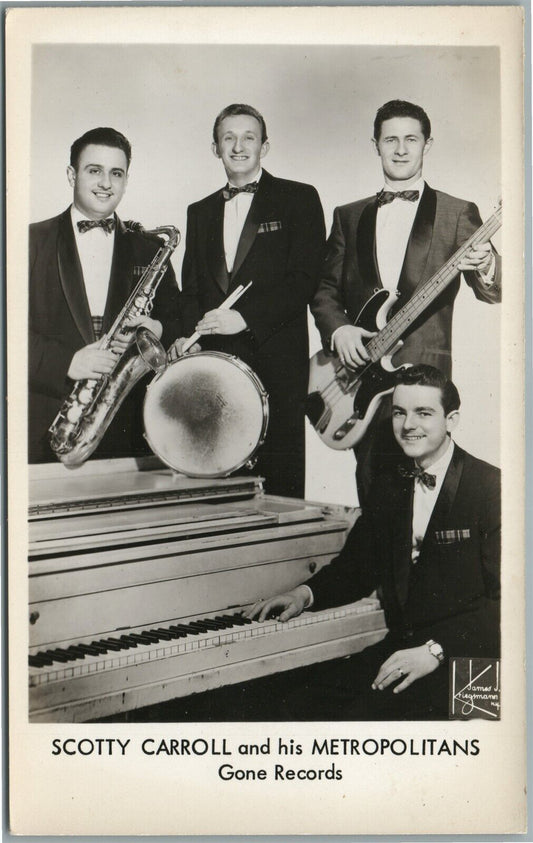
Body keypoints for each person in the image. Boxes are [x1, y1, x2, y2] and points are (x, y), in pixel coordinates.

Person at [247, 365, 500, 720]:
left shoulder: (492, 487)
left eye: (423, 413)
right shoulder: (388, 485)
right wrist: (303, 594)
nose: (408, 424)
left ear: (452, 419)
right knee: (297, 704)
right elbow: (356, 568)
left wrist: (435, 651)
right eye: (400, 412)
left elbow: (510, 605)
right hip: (401, 650)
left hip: (470, 660)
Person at [310, 100, 501, 504]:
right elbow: (325, 289)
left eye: (410, 139)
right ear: (375, 145)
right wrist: (340, 328)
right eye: (390, 139)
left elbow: (492, 290)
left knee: (426, 498)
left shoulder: (456, 212)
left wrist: (487, 263)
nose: (400, 149)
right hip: (360, 382)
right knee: (373, 491)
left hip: (426, 382)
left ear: (426, 145)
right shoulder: (349, 215)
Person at [171, 103, 326, 498]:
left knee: (278, 491)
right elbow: (191, 289)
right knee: (214, 488)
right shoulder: (199, 211)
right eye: (228, 137)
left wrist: (244, 318)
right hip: (213, 373)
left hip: (276, 369)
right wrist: (188, 339)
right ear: (215, 147)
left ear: (265, 146)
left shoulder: (300, 198)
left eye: (249, 137)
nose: (238, 146)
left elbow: (304, 280)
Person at [29, 127, 180, 463]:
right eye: (94, 170)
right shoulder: (27, 242)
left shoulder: (150, 248)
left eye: (116, 173)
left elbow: (177, 318)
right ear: (72, 174)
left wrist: (158, 327)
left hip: (127, 432)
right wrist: (66, 362)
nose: (105, 184)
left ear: (126, 180)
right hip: (47, 427)